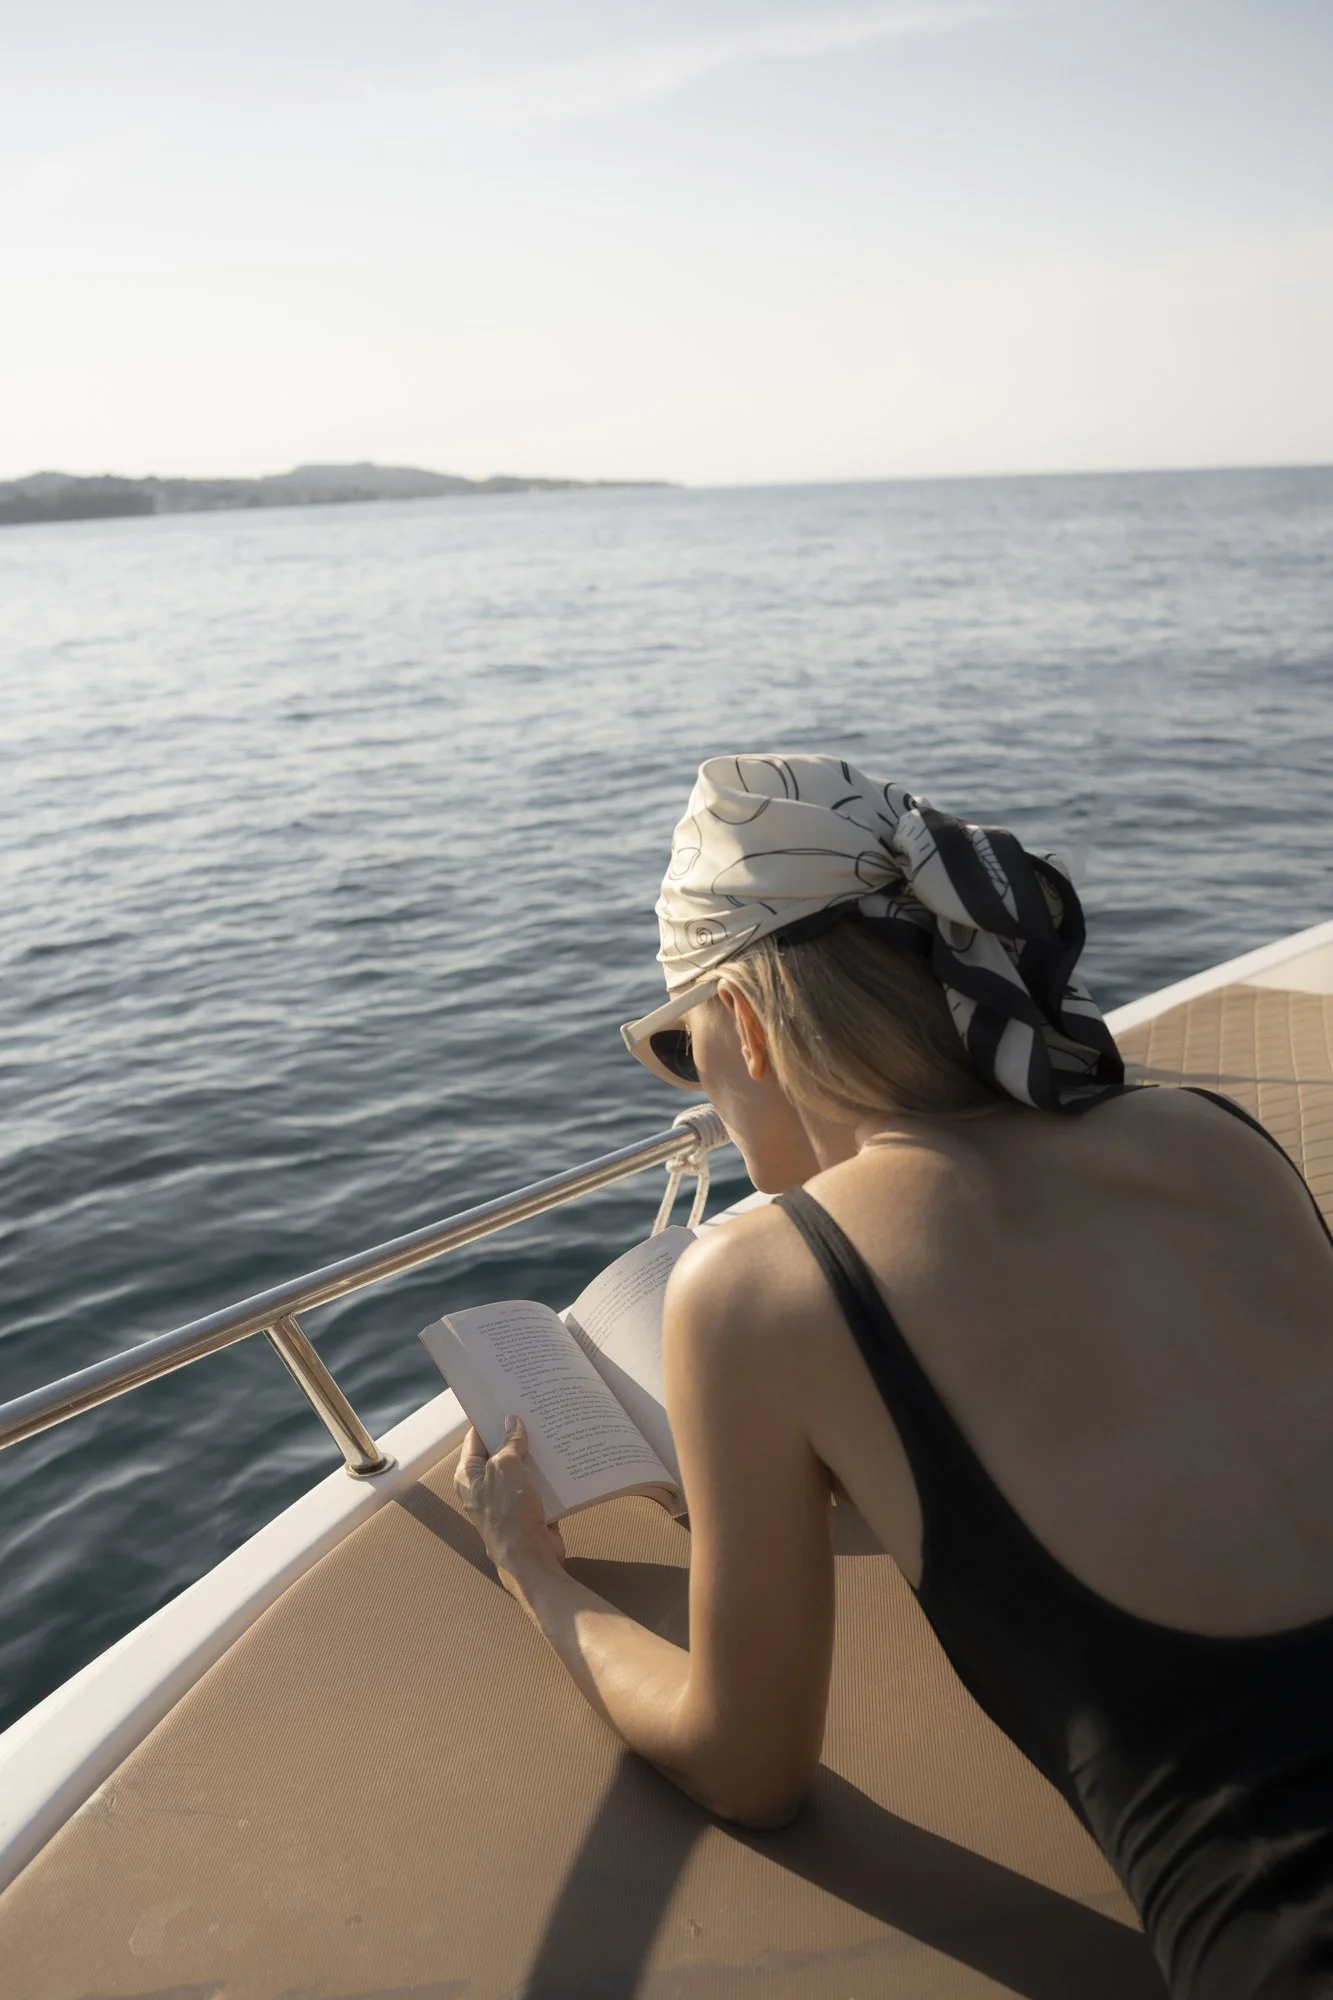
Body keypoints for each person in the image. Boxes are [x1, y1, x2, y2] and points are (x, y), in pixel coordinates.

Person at [455, 753, 1333, 2000]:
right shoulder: (1210, 1137)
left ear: (747, 1023)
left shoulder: (764, 1287)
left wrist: (533, 1573)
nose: (700, 1093)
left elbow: (747, 1766)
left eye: (685, 1048)